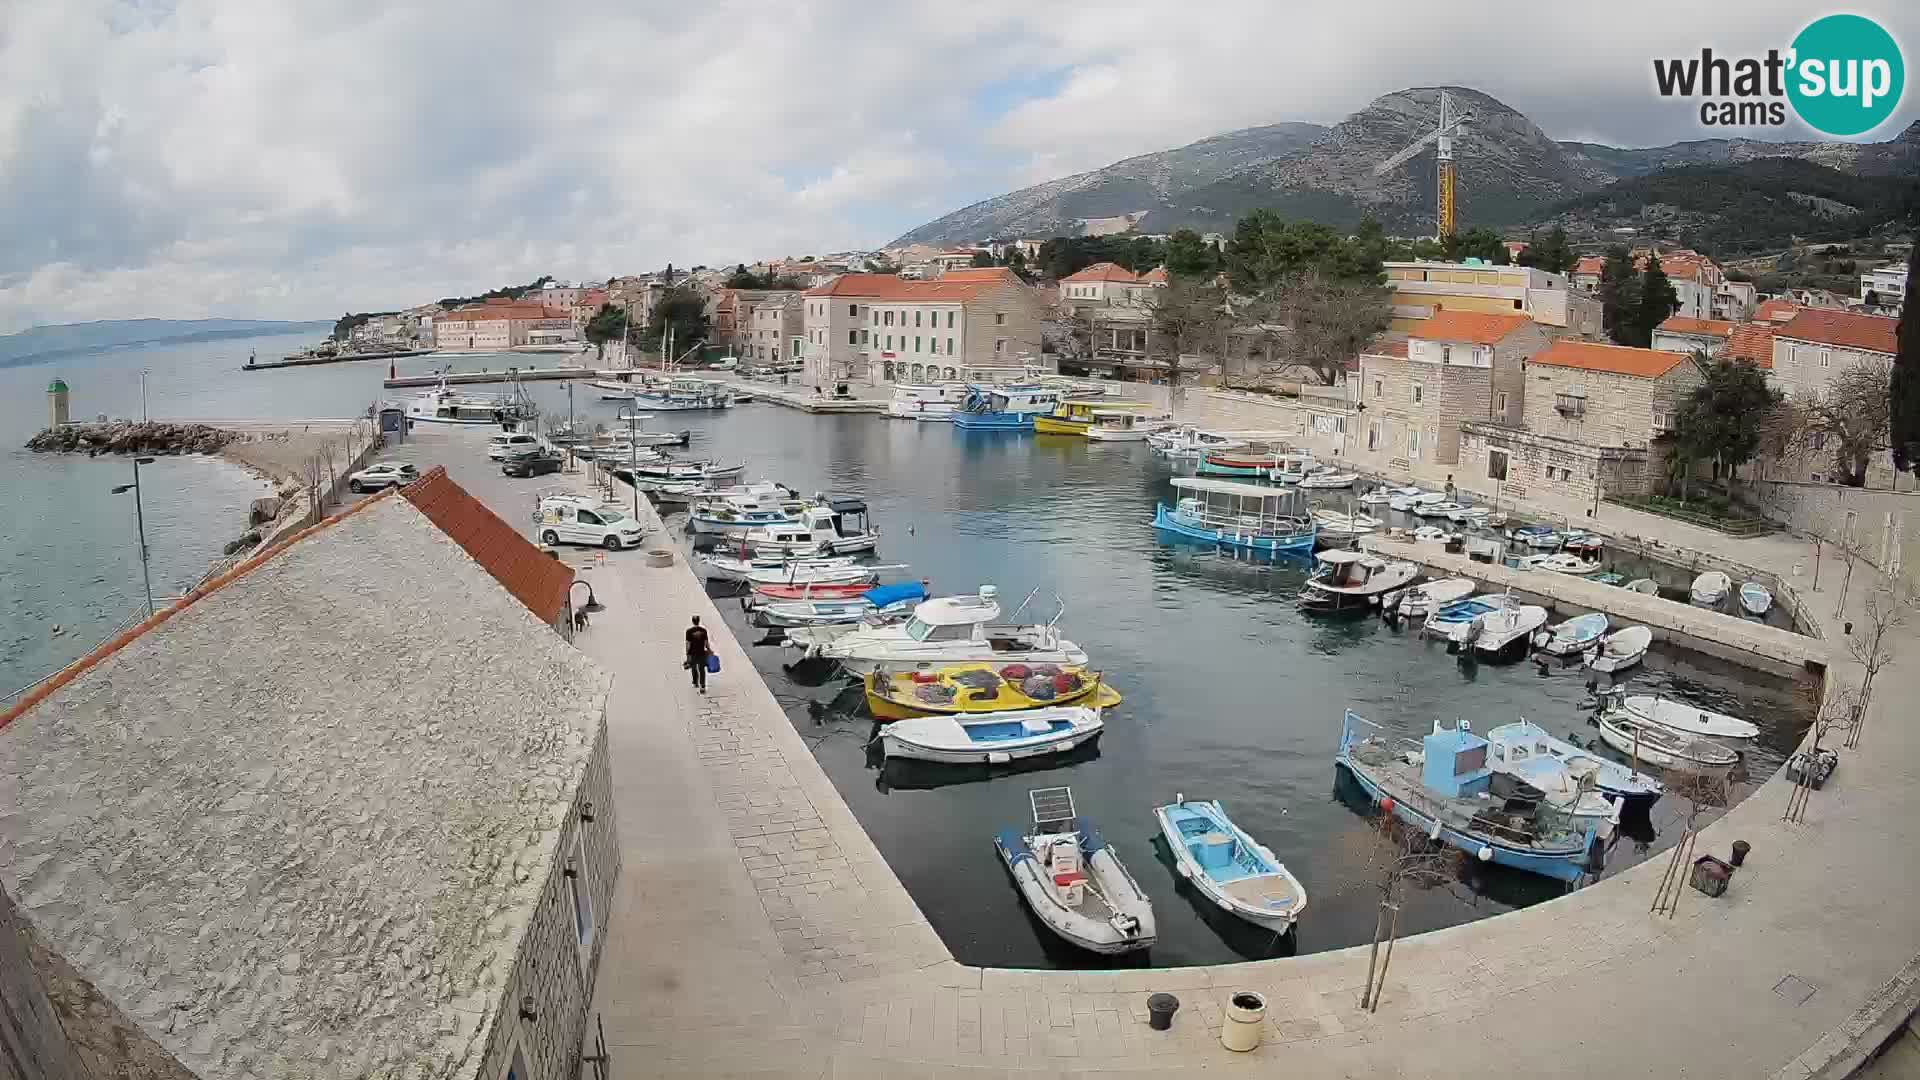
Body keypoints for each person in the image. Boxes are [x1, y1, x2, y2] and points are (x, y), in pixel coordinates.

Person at [685, 615, 711, 693]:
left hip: (693, 653)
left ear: (692, 621)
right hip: (701, 652)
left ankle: (695, 682)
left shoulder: (689, 631)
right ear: (698, 621)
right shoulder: (703, 630)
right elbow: (706, 643)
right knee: (702, 669)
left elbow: (688, 644)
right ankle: (702, 686)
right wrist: (709, 650)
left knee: (693, 668)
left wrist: (687, 654)